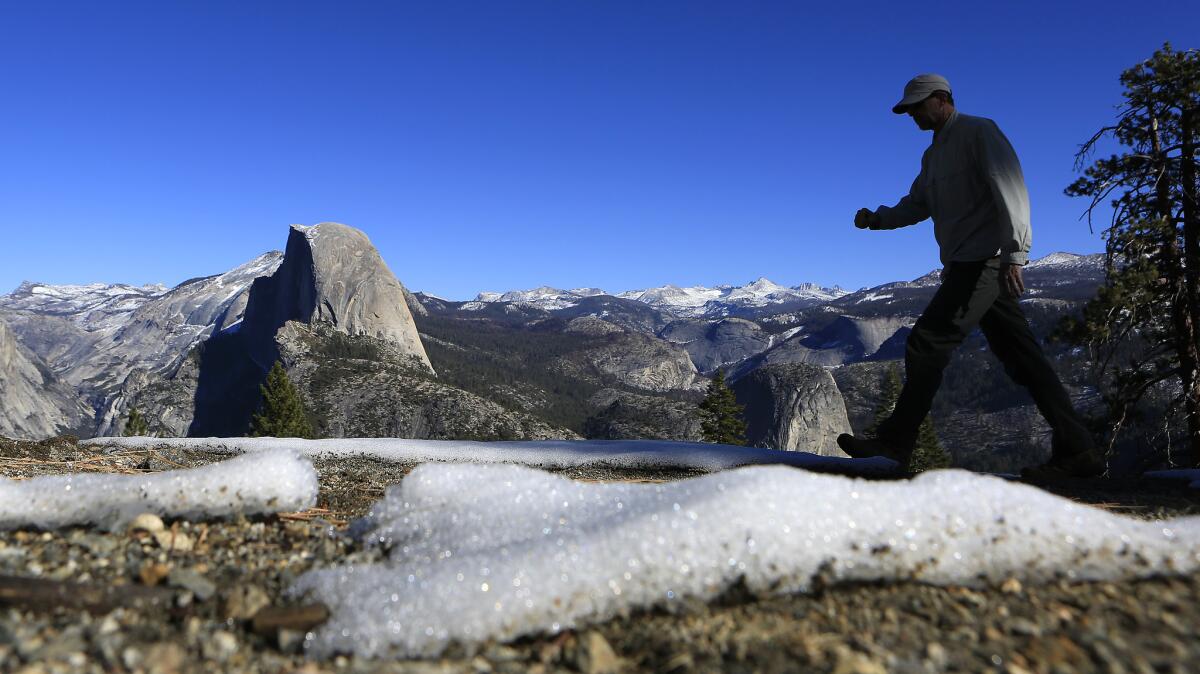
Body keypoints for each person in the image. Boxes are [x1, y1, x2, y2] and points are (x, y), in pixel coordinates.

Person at [837, 73, 1105, 480]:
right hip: (966, 264)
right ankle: (1079, 449)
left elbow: (1011, 190)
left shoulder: (980, 132)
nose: (912, 115)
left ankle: (894, 444)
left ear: (942, 99)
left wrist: (1016, 253)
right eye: (908, 110)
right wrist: (878, 219)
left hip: (985, 262)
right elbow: (917, 204)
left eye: (917, 106)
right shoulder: (933, 156)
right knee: (1024, 359)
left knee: (928, 343)